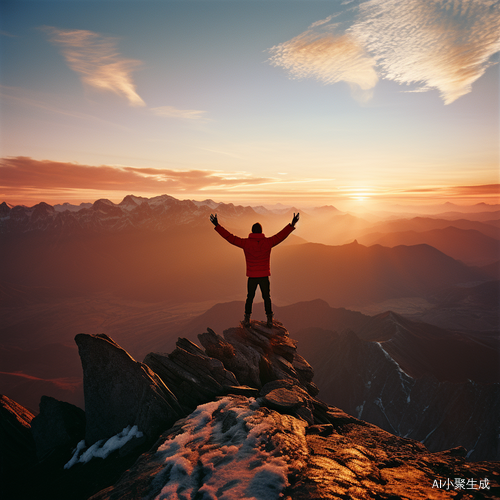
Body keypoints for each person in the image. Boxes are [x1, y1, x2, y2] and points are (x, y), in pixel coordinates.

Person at [210, 212, 299, 328]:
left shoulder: (246, 243)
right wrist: (291, 224)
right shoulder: (268, 242)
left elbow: (230, 238)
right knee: (267, 297)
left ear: (252, 232)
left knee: (250, 297)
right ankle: (269, 319)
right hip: (264, 276)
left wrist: (217, 226)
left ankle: (247, 319)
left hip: (252, 276)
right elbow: (281, 236)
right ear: (261, 232)